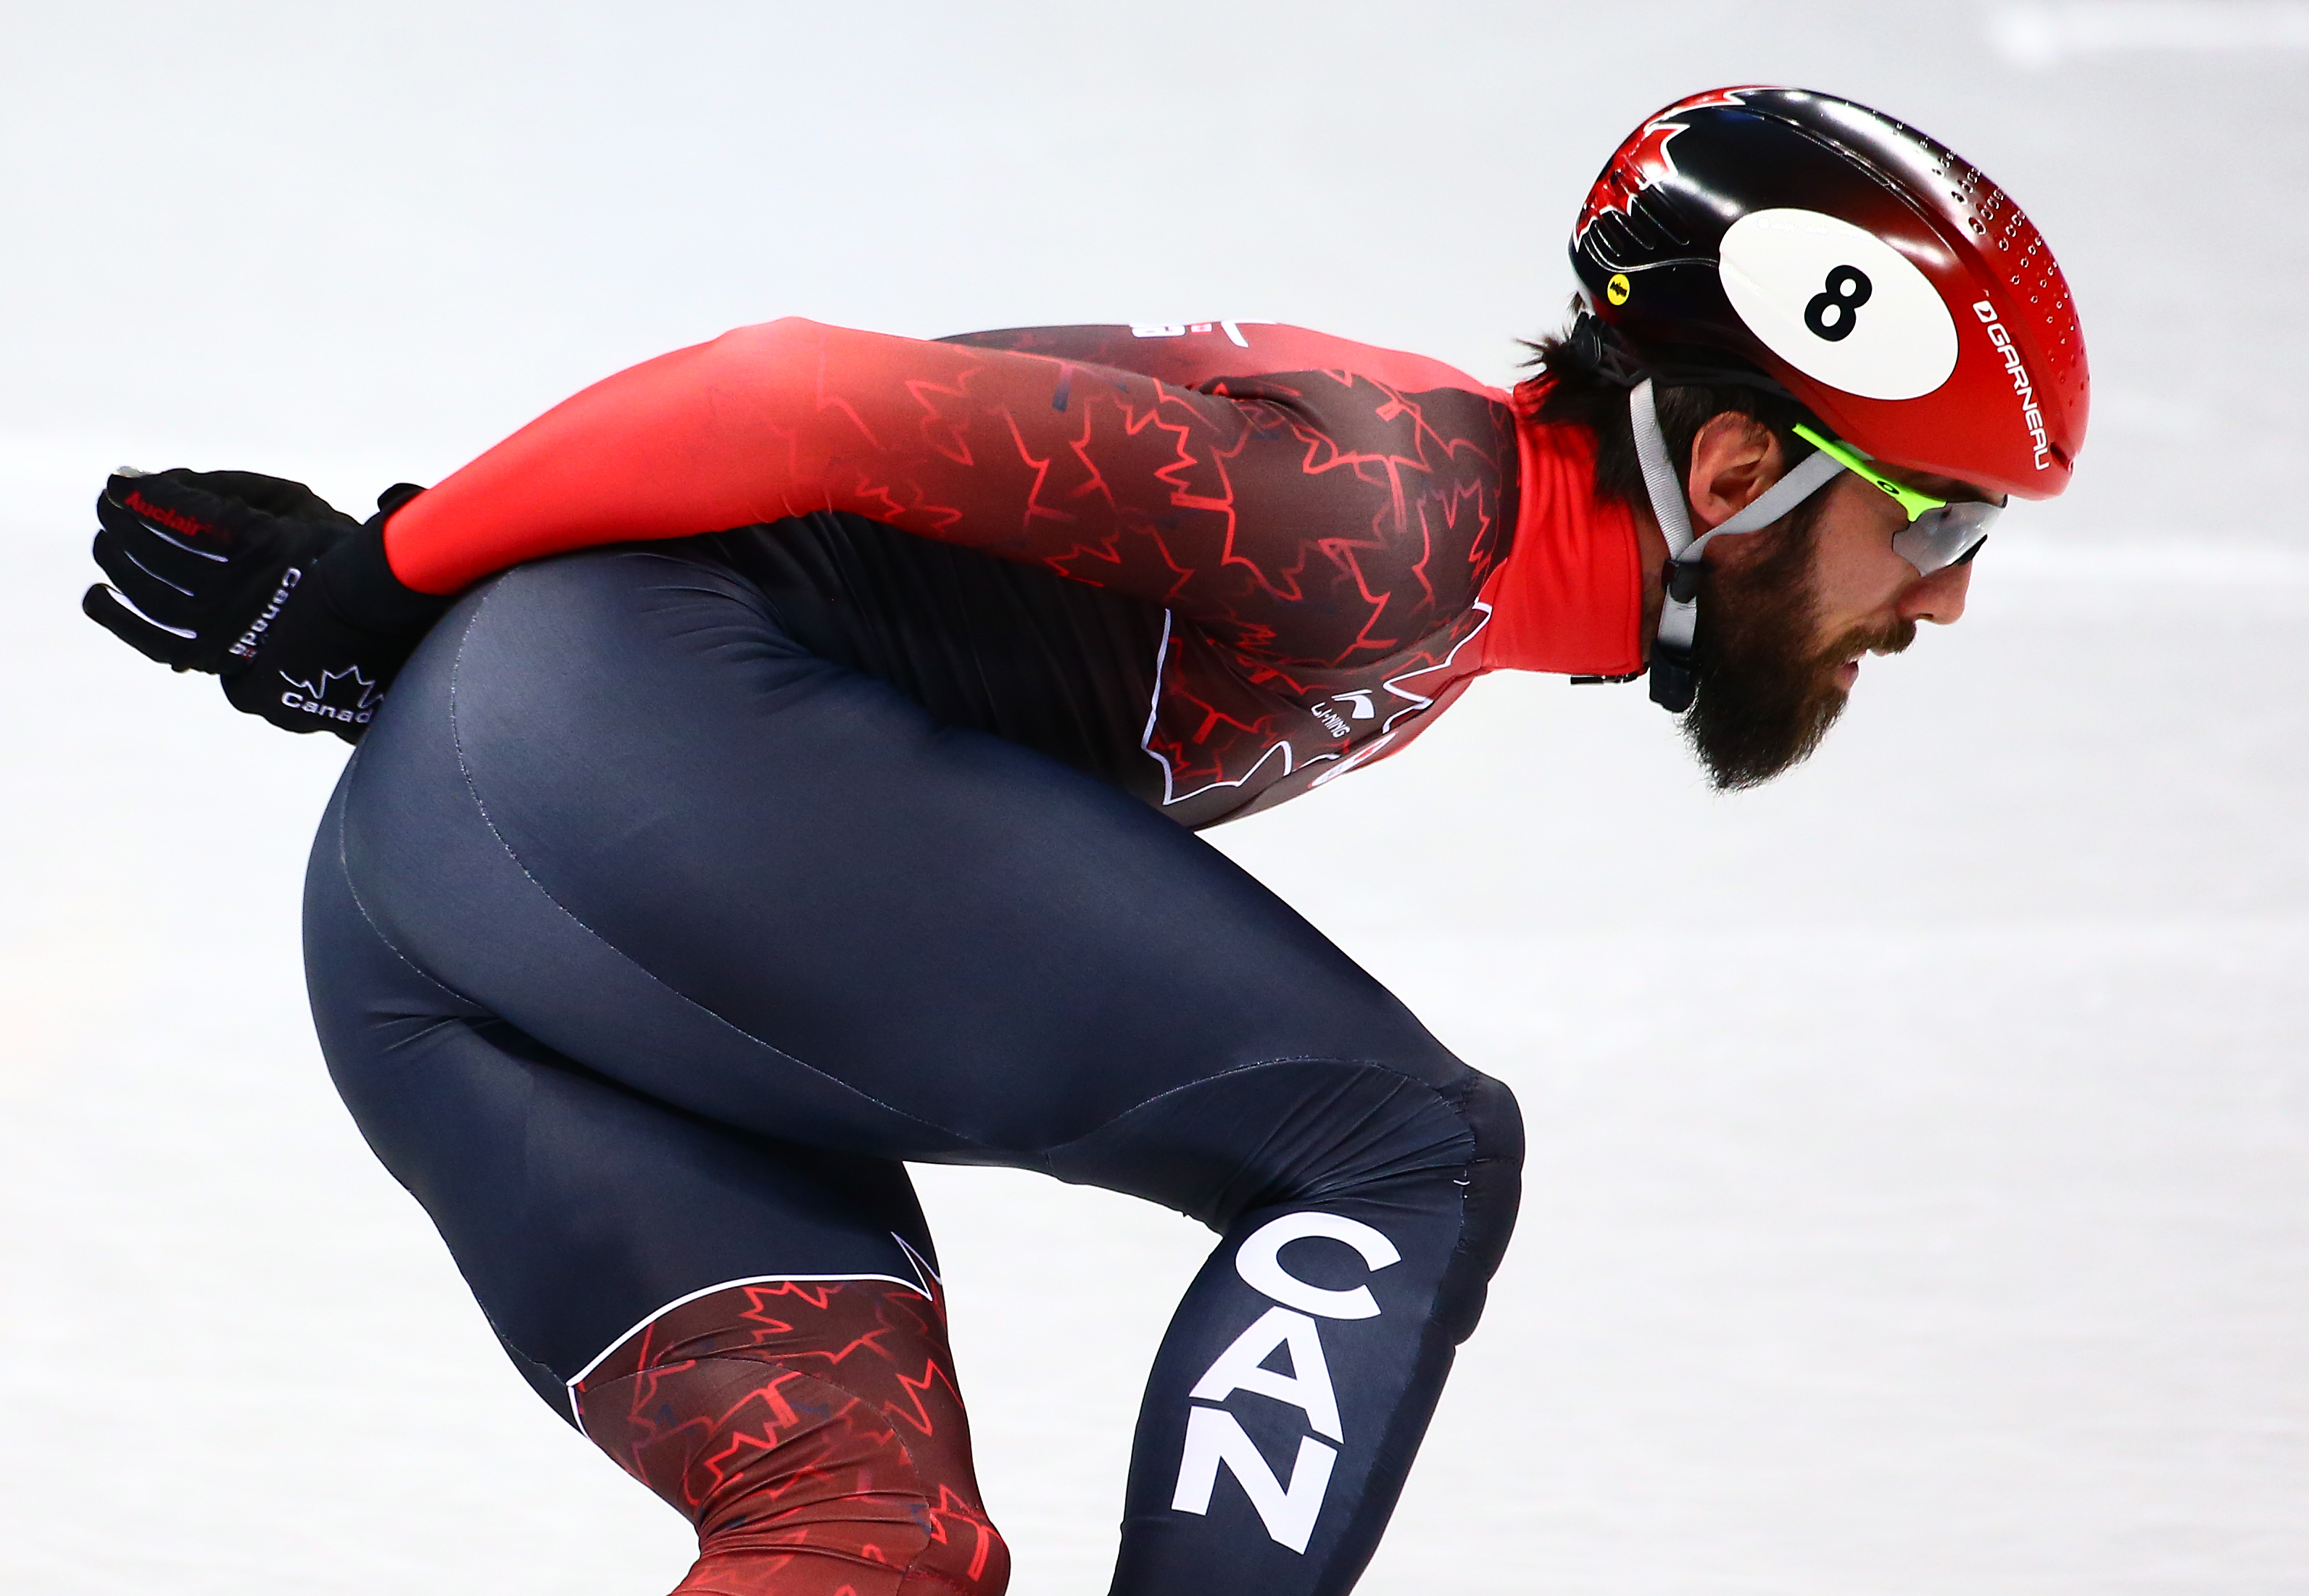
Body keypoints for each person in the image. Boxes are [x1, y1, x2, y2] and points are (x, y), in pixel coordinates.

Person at [80, 86, 2086, 1596]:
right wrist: (381, 574)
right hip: (600, 767)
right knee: (1400, 1141)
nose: (1942, 603)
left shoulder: (1440, 582)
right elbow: (797, 397)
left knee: (862, 1533)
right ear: (1735, 470)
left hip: (453, 917)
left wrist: (405, 634)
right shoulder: (1386, 521)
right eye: (1938, 526)